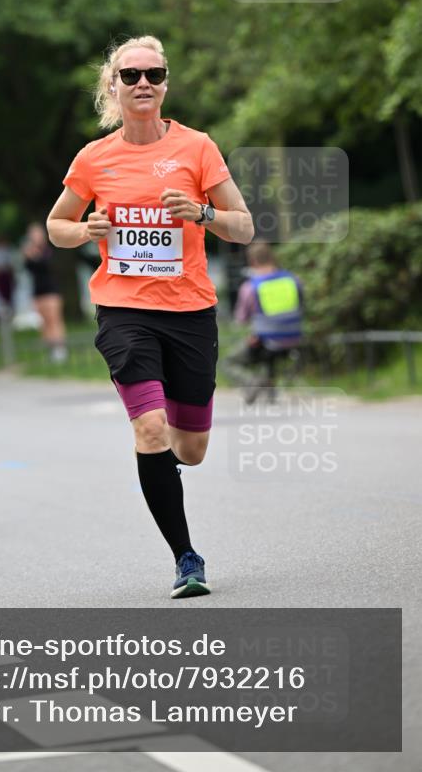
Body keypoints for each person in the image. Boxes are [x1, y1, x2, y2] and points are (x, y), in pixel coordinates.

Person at [47, 35, 254, 598]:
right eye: (132, 75)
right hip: (123, 309)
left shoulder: (197, 148)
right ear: (112, 85)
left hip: (190, 311)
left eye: (154, 75)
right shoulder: (94, 158)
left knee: (191, 448)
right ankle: (187, 558)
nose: (144, 84)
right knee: (150, 428)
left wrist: (204, 212)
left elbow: (245, 225)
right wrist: (84, 230)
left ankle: (168, 471)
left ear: (165, 84)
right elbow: (55, 227)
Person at [229, 240, 303, 401]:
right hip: (294, 337)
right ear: (272, 257)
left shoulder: (251, 287)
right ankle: (268, 386)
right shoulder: (293, 280)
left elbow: (241, 320)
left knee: (229, 361)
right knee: (265, 351)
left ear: (252, 261)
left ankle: (251, 382)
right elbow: (301, 306)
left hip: (265, 340)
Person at [22, 222, 68, 363]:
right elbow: (29, 268)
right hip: (38, 290)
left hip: (51, 290)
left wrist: (34, 256)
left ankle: (60, 349)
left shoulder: (48, 249)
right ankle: (50, 349)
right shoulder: (29, 251)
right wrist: (27, 256)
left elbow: (47, 265)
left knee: (54, 319)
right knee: (44, 322)